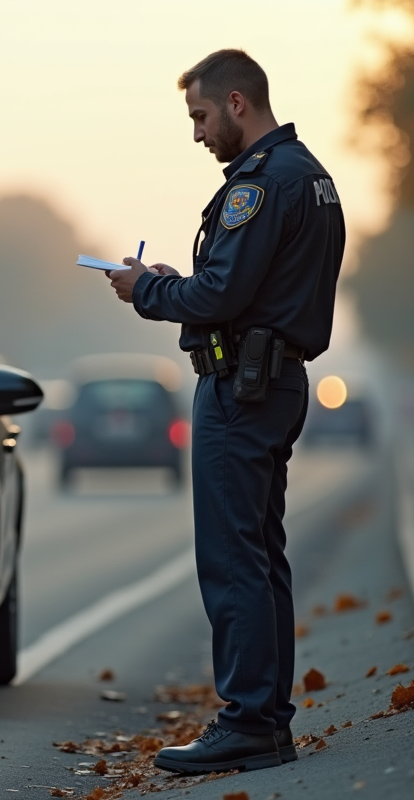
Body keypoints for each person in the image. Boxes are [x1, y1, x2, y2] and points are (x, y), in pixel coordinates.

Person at [105, 50, 345, 774]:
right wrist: (185, 282)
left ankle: (249, 723)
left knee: (233, 558)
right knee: (262, 558)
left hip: (242, 389)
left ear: (237, 103)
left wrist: (144, 290)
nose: (199, 133)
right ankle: (265, 718)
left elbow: (220, 299)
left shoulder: (262, 185)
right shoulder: (312, 176)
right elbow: (239, 285)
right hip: (272, 383)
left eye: (201, 117)